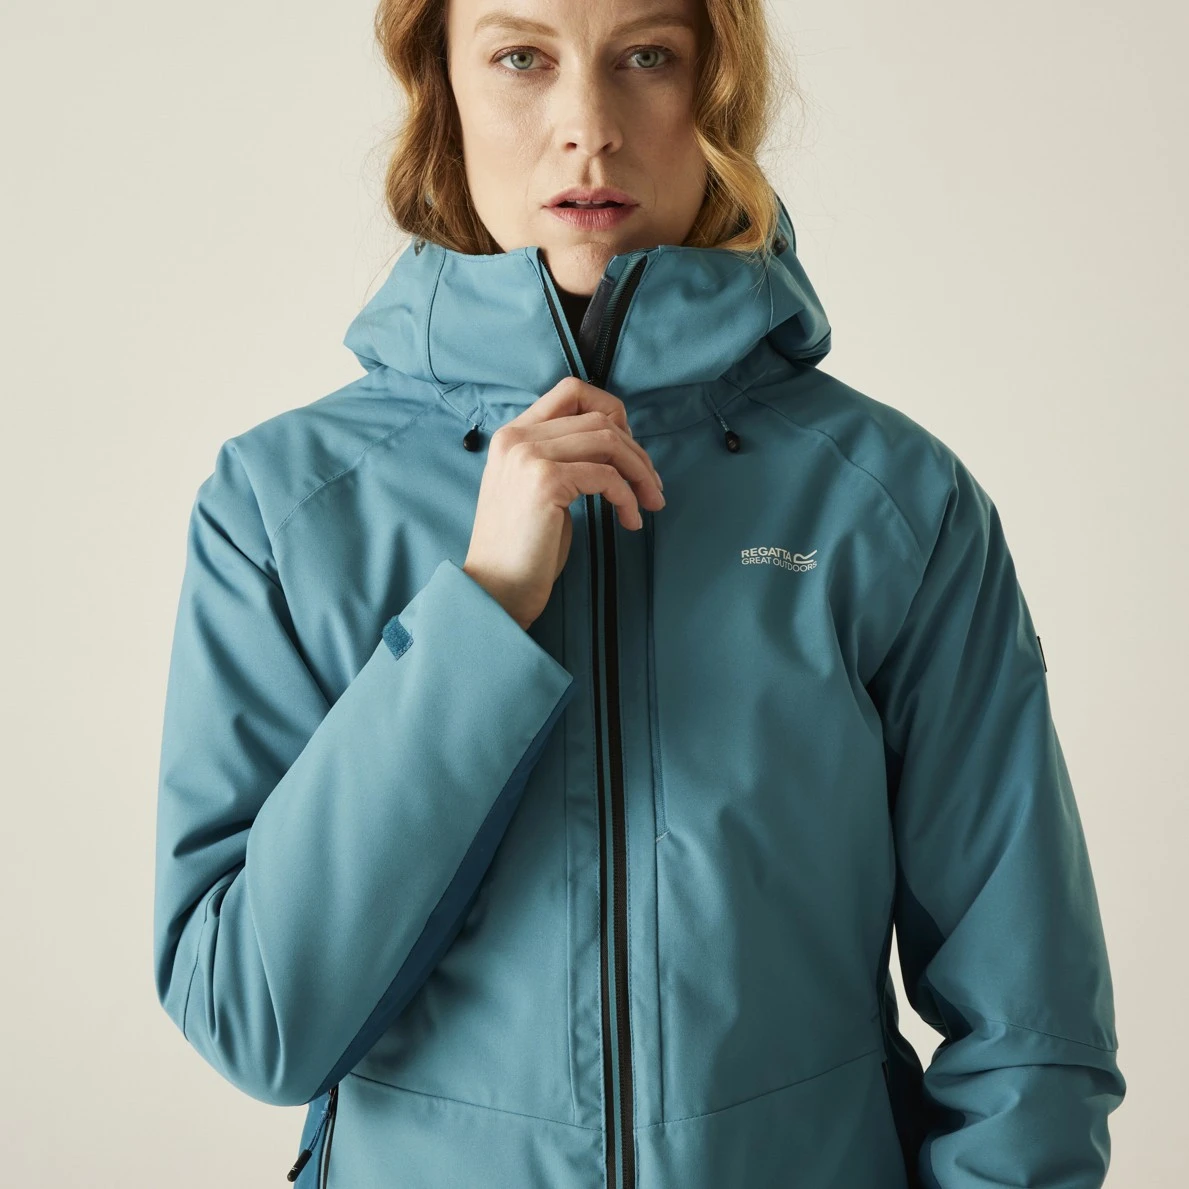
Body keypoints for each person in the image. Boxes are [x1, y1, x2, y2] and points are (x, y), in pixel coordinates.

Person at [151, 0, 1126, 1186]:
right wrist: (479, 612)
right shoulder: (283, 508)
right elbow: (255, 1016)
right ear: (440, 89)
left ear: (715, 88)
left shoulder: (888, 502)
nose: (587, 126)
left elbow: (1029, 1023)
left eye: (646, 57)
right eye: (521, 57)